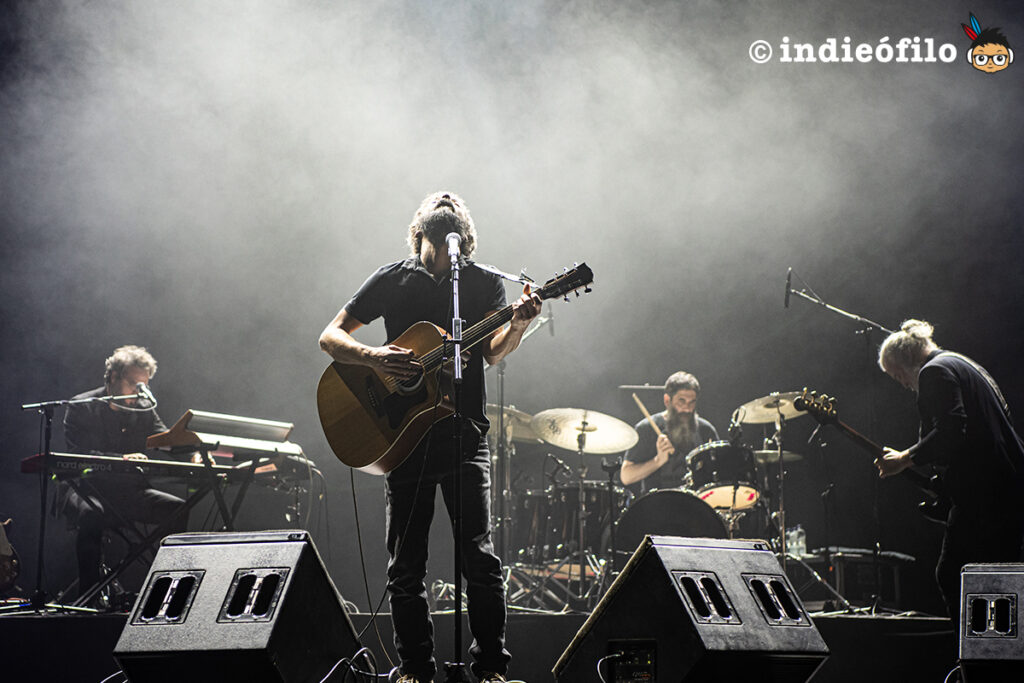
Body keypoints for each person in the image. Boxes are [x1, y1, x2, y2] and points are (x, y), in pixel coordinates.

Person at [319, 191, 541, 683]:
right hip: (403, 437)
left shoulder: (481, 282)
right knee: (406, 566)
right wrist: (375, 357)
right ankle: (415, 670)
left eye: (453, 206)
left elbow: (492, 353)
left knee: (480, 560)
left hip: (464, 434)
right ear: (420, 233)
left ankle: (490, 670)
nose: (445, 198)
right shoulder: (391, 278)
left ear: (464, 237)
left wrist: (519, 326)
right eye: (436, 237)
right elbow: (330, 336)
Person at [875, 320, 1024, 616]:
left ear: (907, 360)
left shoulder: (934, 371)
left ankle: (976, 646)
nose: (902, 383)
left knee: (954, 574)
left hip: (985, 494)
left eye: (897, 375)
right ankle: (996, 644)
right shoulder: (961, 363)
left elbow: (952, 429)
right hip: (1007, 487)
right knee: (997, 580)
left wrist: (904, 458)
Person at [61, 345, 188, 605]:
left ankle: (166, 592)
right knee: (91, 515)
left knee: (177, 509)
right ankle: (89, 597)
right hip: (86, 489)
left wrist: (197, 452)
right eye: (133, 384)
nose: (139, 391)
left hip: (128, 491)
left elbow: (165, 440)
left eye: (144, 385)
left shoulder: (143, 407)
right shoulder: (82, 406)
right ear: (113, 377)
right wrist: (121, 460)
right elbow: (79, 454)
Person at [620, 371, 719, 492]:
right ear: (667, 400)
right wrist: (658, 461)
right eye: (681, 401)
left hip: (695, 500)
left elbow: (718, 472)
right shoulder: (646, 428)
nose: (687, 409)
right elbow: (626, 476)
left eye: (692, 402)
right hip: (658, 500)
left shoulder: (705, 430)